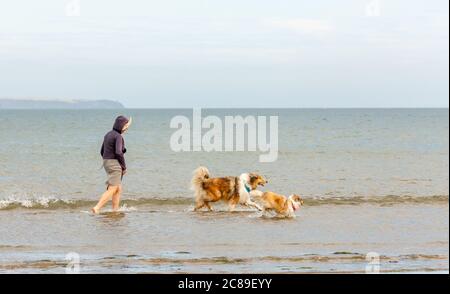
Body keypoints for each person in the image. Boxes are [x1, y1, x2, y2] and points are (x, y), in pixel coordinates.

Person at [92, 115, 132, 214]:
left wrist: (107, 161)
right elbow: (119, 152)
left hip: (107, 162)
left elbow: (101, 151)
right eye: (126, 126)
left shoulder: (108, 134)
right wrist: (123, 166)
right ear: (121, 126)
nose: (126, 129)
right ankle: (97, 207)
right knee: (113, 188)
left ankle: (115, 210)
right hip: (114, 163)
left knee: (118, 188)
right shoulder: (118, 136)